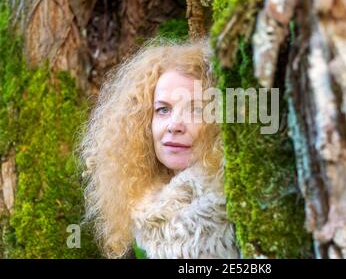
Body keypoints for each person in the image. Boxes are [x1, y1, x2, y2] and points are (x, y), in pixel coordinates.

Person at [79, 39, 239, 259]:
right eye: (163, 109)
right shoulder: (140, 211)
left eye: (196, 110)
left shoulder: (240, 203)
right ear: (145, 121)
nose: (174, 125)